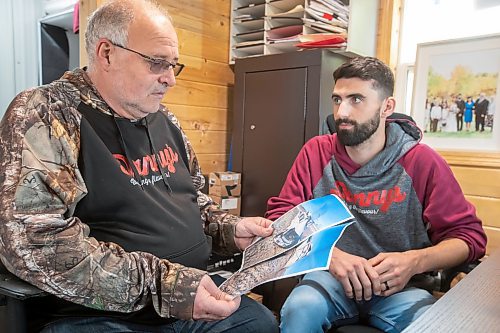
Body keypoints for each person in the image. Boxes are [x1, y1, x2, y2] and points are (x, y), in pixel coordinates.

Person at [0, 1, 279, 332]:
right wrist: (165, 285)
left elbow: (194, 203)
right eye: (157, 63)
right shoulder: (49, 114)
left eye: (174, 65)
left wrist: (230, 230)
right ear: (106, 54)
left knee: (258, 322)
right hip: (104, 314)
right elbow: (35, 240)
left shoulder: (165, 120)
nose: (170, 80)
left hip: (185, 300)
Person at [265, 57, 487, 333]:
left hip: (402, 289)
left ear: (387, 107)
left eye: (356, 99)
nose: (342, 112)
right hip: (328, 281)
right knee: (299, 310)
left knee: (435, 326)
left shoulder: (422, 162)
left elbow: (469, 238)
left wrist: (415, 261)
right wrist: (329, 255)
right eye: (337, 99)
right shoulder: (315, 152)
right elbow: (279, 220)